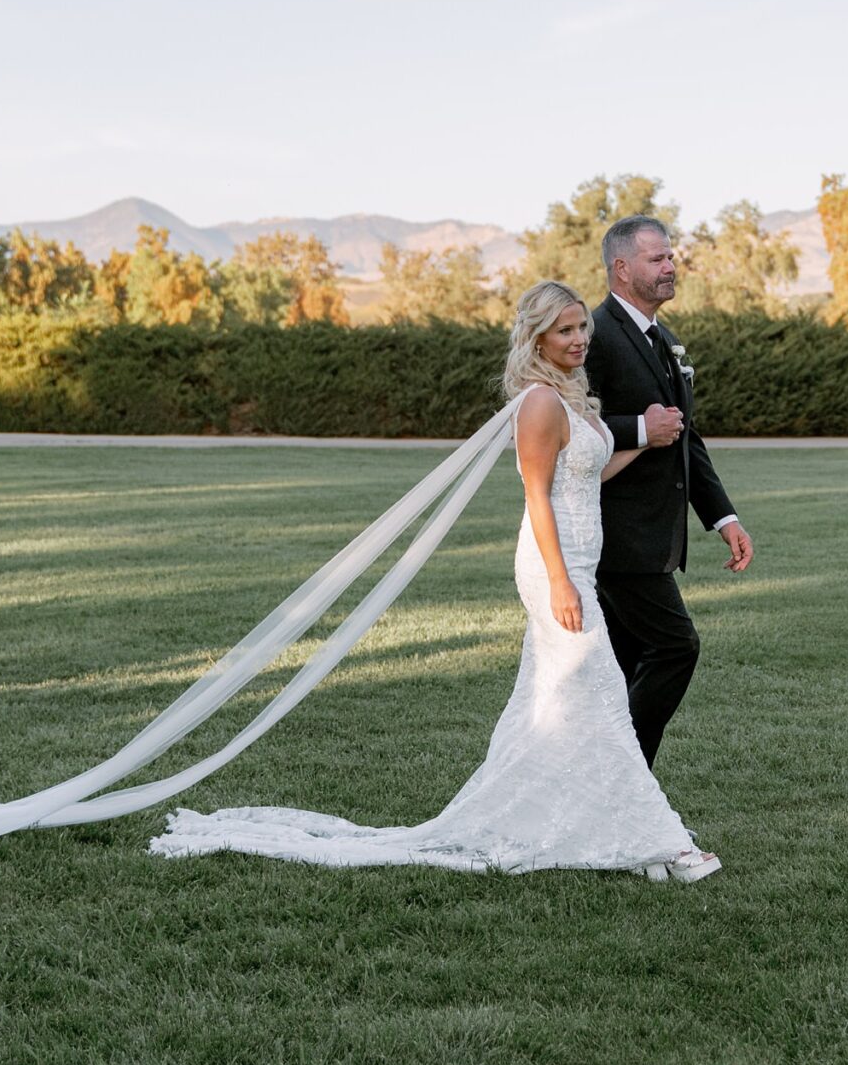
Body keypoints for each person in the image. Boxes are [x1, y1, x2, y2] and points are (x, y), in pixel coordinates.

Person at [149, 281, 722, 879]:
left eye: (582, 328)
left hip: (577, 560)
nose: (579, 339)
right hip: (557, 566)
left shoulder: (570, 397)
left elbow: (586, 476)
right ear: (538, 338)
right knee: (597, 691)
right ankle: (658, 841)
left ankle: (599, 823)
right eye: (565, 331)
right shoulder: (539, 403)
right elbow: (536, 493)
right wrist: (559, 580)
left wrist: (649, 444)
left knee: (562, 702)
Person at [587, 216, 754, 765]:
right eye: (657, 259)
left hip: (658, 538)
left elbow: (686, 437)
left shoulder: (668, 339)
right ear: (621, 267)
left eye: (670, 257)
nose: (670, 266)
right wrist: (640, 427)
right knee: (675, 647)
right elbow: (567, 429)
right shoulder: (593, 337)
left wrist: (723, 518)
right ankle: (622, 776)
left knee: (629, 665)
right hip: (617, 536)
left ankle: (619, 795)